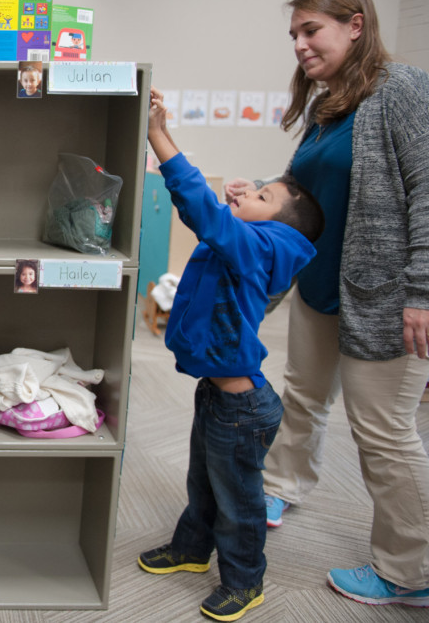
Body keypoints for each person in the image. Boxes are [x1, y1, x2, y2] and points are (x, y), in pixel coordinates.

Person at [223, 0, 429, 608]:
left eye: (311, 30)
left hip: (385, 296)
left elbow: (427, 192)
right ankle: (283, 484)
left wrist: (422, 292)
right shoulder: (328, 104)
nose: (301, 45)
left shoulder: (403, 92)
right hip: (322, 282)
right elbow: (304, 182)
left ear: (356, 25)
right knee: (304, 396)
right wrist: (261, 189)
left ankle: (413, 570)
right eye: (294, 35)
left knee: (384, 433)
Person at [138, 87, 323, 621]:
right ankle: (193, 549)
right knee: (204, 481)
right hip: (219, 396)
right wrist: (165, 128)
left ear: (274, 228)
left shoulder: (260, 248)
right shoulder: (253, 241)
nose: (247, 194)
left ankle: (246, 582)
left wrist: (155, 136)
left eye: (263, 197)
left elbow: (205, 214)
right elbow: (219, 220)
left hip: (243, 409)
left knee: (240, 501)